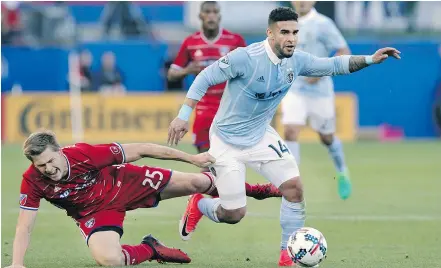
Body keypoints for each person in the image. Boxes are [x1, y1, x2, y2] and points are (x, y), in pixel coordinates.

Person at [168, 6, 400, 267]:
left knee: (294, 189)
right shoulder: (245, 57)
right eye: (284, 32)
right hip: (226, 141)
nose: (291, 38)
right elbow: (204, 77)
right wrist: (182, 116)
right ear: (270, 34)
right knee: (233, 214)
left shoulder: (297, 60)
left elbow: (333, 65)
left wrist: (370, 59)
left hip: (261, 136)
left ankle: (286, 256)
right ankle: (199, 205)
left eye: (295, 32)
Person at [6, 130, 279, 268]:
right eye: (41, 166)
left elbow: (144, 149)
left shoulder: (85, 154)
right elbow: (24, 226)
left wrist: (191, 158)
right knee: (110, 260)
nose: (49, 170)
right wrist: (17, 263)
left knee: (198, 181)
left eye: (51, 161)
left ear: (59, 151)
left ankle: (256, 190)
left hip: (127, 183)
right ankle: (151, 249)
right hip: (95, 213)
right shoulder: (32, 181)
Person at [167, 1, 281, 240]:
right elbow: (172, 73)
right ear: (200, 16)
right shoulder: (191, 42)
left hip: (233, 111)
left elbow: (252, 67)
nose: (211, 16)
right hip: (205, 111)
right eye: (207, 12)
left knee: (230, 164)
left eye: (214, 12)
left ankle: (199, 203)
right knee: (209, 166)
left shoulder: (234, 40)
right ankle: (250, 192)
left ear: (219, 16)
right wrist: (189, 70)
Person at [282, 1, 353, 200]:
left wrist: (321, 71)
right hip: (294, 88)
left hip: (319, 91)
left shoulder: (323, 24)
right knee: (290, 130)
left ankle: (342, 171)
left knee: (326, 137)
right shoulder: (283, 22)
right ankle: (292, 182)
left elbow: (343, 51)